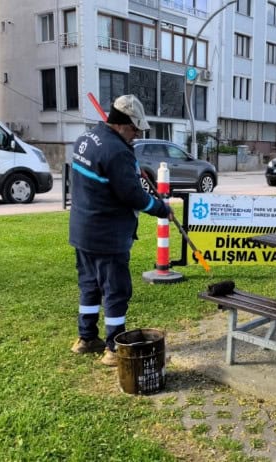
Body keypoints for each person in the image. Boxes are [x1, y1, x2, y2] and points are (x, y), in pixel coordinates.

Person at [68, 94, 171, 366]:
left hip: (82, 230)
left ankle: (86, 338)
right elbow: (133, 196)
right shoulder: (116, 152)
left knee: (89, 286)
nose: (136, 134)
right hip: (107, 235)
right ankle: (113, 348)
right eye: (135, 128)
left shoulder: (86, 139)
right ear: (122, 124)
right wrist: (161, 209)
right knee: (116, 291)